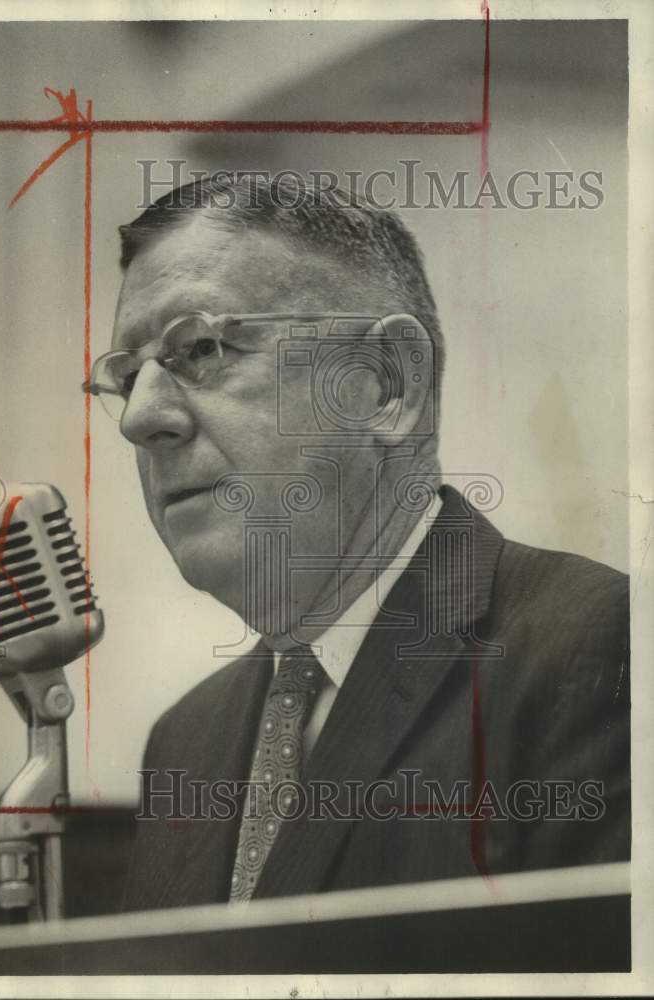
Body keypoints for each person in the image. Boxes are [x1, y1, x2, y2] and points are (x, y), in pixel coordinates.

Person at [83, 175, 630, 911]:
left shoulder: (602, 648)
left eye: (203, 348)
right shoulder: (183, 743)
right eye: (126, 377)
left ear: (384, 385)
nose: (139, 418)